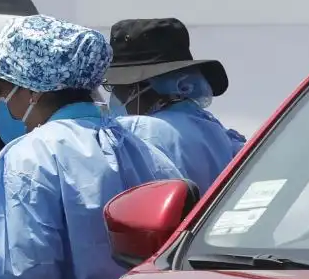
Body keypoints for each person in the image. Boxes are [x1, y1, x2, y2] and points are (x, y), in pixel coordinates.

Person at [0, 15, 186, 279]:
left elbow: (23, 273)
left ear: (32, 91)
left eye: (3, 90)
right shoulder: (141, 149)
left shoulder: (29, 158)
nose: (2, 103)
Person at [103, 18, 247, 192]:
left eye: (116, 86)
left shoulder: (139, 134)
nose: (114, 94)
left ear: (138, 87)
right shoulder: (212, 127)